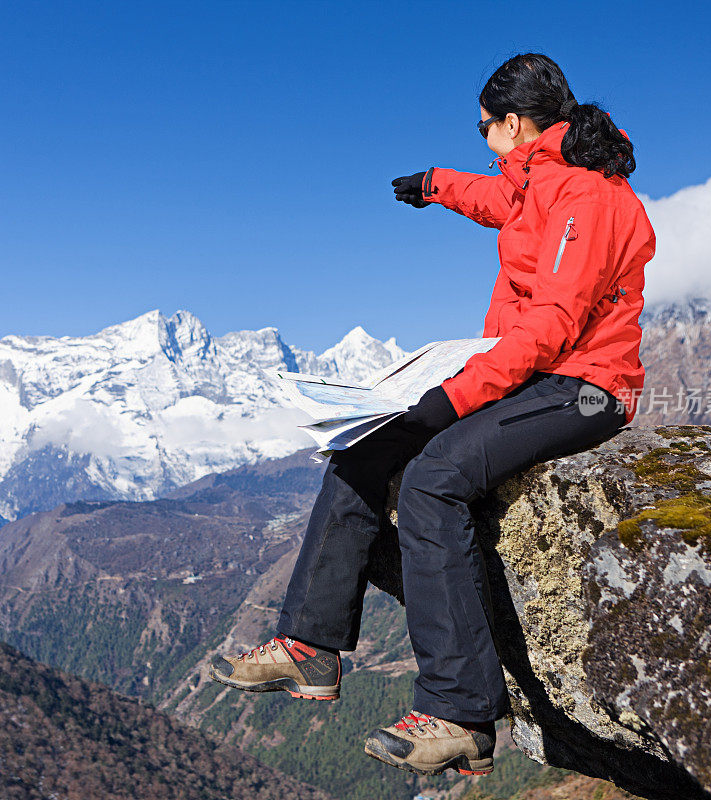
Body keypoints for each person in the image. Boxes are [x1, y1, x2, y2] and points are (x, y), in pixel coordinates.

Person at [210, 52, 656, 778]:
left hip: (583, 386)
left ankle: (463, 715)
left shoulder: (592, 200)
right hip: (531, 372)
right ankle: (309, 647)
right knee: (363, 449)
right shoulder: (538, 181)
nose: (482, 139)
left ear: (514, 124)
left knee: (432, 477)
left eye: (484, 128)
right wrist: (435, 185)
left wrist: (456, 395)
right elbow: (501, 202)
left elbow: (553, 324)